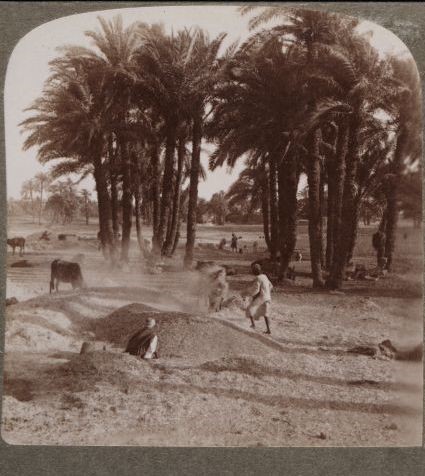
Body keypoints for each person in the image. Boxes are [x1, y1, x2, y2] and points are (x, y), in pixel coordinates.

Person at [246, 263, 273, 334]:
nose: (252, 271)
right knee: (265, 313)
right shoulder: (264, 276)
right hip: (268, 297)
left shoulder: (257, 278)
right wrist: (267, 292)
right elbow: (271, 286)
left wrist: (251, 295)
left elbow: (256, 290)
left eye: (253, 270)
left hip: (261, 297)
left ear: (255, 271)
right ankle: (268, 329)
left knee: (249, 308)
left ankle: (253, 324)